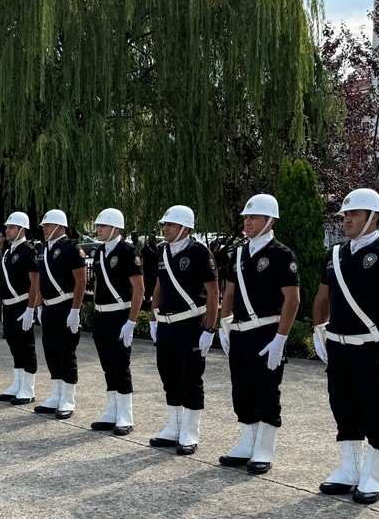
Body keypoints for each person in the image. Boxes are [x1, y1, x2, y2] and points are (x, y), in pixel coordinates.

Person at [313, 187, 379, 505]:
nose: (347, 219)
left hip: (377, 348)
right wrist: (320, 334)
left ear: (373, 217)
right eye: (345, 214)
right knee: (343, 408)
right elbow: (322, 299)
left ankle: (374, 476)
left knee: (376, 411)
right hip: (340, 347)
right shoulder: (335, 254)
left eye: (354, 214)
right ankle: (349, 469)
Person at [217, 194, 301, 475]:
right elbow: (228, 292)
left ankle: (264, 448)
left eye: (253, 217)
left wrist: (281, 339)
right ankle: (246, 442)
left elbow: (293, 300)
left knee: (266, 391)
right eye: (246, 217)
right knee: (241, 390)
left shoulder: (281, 254)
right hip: (240, 332)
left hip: (266, 331)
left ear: (270, 220)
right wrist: (224, 325)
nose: (247, 221)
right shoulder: (239, 253)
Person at [148, 205, 219, 455]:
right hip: (166, 325)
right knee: (168, 377)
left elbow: (213, 293)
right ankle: (174, 426)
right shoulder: (162, 252)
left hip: (189, 324)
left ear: (185, 228)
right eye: (164, 225)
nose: (165, 229)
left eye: (171, 224)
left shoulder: (199, 252)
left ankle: (190, 432)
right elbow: (159, 286)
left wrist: (209, 329)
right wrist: (153, 319)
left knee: (190, 379)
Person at [88, 208, 145, 436]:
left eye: (102, 225)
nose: (98, 229)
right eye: (98, 226)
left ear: (115, 227)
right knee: (107, 366)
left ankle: (125, 415)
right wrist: (94, 312)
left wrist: (131, 322)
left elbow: (139, 289)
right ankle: (111, 411)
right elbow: (99, 283)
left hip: (119, 315)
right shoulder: (101, 252)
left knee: (120, 366)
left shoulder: (127, 251)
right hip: (102, 315)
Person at [33, 209, 87, 420]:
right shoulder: (43, 249)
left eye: (47, 225)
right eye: (44, 226)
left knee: (66, 353)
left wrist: (75, 310)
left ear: (60, 227)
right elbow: (40, 282)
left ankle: (67, 399)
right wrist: (38, 306)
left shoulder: (72, 249)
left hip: (66, 306)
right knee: (51, 352)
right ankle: (55, 395)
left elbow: (81, 282)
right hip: (49, 307)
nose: (44, 228)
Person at [0, 212, 40, 405]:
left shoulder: (29, 251)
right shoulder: (8, 252)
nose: (7, 230)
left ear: (22, 229)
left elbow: (35, 283)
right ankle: (18, 382)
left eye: (11, 227)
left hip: (22, 305)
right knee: (14, 346)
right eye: (7, 227)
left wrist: (31, 309)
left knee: (26, 346)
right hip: (9, 307)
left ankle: (28, 388)